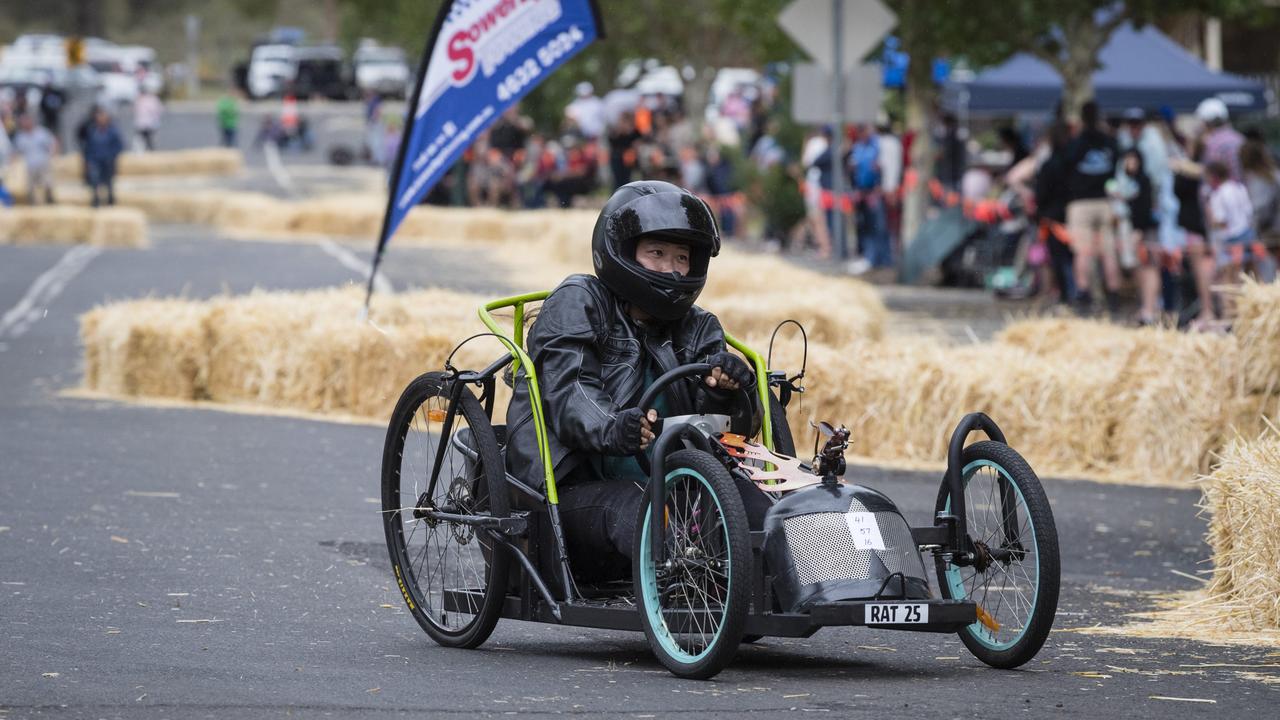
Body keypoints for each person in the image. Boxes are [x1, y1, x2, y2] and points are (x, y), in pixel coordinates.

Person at [504, 180, 769, 581]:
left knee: (760, 503)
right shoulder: (579, 300)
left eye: (682, 257)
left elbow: (734, 434)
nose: (672, 268)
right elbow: (570, 391)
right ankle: (702, 592)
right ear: (622, 252)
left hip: (671, 485)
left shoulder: (699, 327)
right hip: (574, 493)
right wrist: (615, 427)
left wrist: (730, 393)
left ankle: (811, 587)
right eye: (657, 253)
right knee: (639, 505)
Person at [1064, 100, 1120, 315]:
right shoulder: (1109, 141)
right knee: (1108, 251)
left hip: (1081, 202)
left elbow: (1065, 166)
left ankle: (1083, 293)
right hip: (1105, 201)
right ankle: (1113, 295)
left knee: (1083, 252)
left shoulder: (1077, 141)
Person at [13, 113, 59, 205]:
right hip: (29, 165)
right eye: (22, 123)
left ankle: (49, 200)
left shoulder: (42, 132)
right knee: (30, 186)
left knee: (47, 183)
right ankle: (32, 203)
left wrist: (53, 153)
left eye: (26, 122)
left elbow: (53, 142)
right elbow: (15, 151)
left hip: (43, 163)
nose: (24, 124)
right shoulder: (20, 137)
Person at [82, 107, 124, 207]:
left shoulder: (113, 131)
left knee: (108, 180)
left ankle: (110, 199)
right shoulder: (92, 131)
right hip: (95, 160)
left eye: (103, 117)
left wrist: (112, 155)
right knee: (94, 179)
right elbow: (88, 146)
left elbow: (119, 146)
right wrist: (88, 160)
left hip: (108, 160)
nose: (100, 120)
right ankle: (96, 199)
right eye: (99, 118)